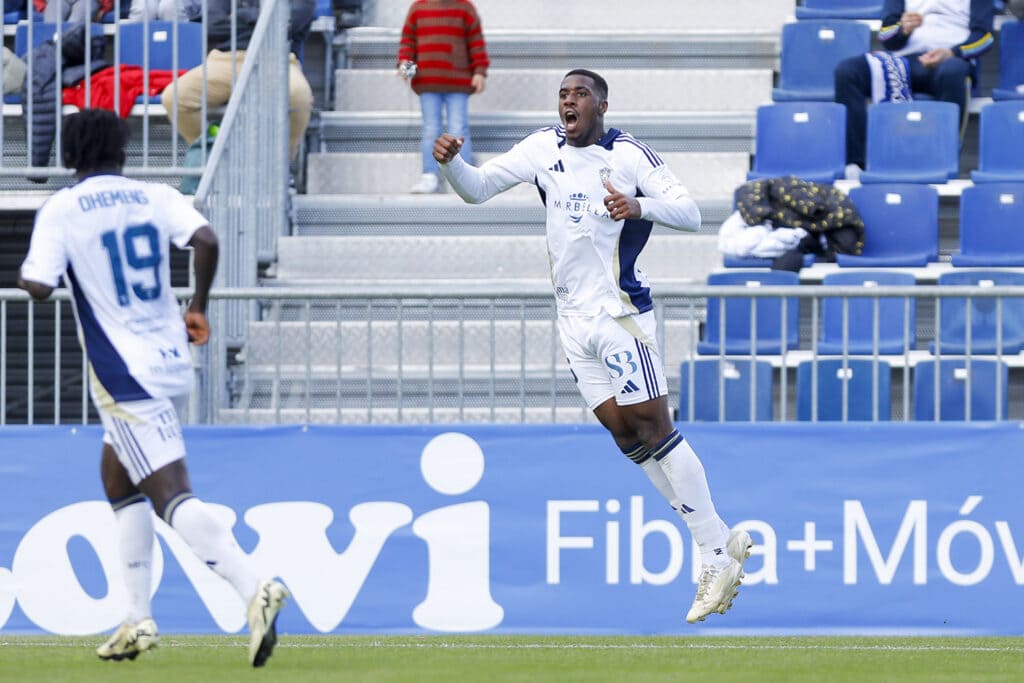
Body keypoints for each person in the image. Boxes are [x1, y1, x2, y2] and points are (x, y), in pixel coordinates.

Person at [433, 69, 752, 624]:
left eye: (579, 93)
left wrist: (638, 206)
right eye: (563, 94)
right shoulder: (540, 148)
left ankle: (711, 552)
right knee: (625, 435)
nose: (568, 101)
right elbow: (477, 189)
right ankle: (719, 538)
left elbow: (693, 214)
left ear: (602, 103)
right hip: (572, 322)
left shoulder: (630, 156)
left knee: (653, 427)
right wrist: (451, 164)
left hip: (619, 316)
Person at [17, 109, 288, 667]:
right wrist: (198, 305)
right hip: (167, 355)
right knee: (119, 482)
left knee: (170, 493)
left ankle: (252, 586)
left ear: (70, 156)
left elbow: (40, 287)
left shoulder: (62, 209)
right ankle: (137, 618)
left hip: (122, 372)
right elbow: (207, 240)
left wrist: (32, 272)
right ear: (121, 151)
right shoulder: (155, 195)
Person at [834, 0, 994, 177]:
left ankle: (943, 161)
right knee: (848, 71)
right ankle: (855, 164)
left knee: (954, 72)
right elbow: (887, 36)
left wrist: (952, 53)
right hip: (903, 62)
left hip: (950, 61)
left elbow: (984, 38)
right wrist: (902, 29)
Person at [161, 0, 315, 163]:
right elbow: (213, 27)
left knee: (297, 96)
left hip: (275, 58)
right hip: (225, 58)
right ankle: (215, 156)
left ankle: (281, 164)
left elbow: (288, 24)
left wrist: (239, 16)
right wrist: (261, 19)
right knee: (175, 97)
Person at [397, 0, 489, 194]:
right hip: (428, 82)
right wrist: (405, 62)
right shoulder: (418, 9)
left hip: (458, 83)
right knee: (431, 129)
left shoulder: (465, 8)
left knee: (458, 128)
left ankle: (464, 177)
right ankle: (430, 175)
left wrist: (479, 71)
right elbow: (408, 41)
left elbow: (476, 42)